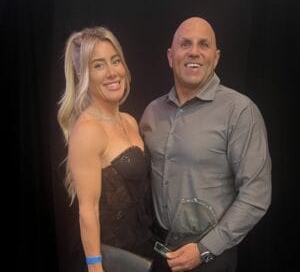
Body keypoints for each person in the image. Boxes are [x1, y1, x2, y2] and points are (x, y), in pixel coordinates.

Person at [140, 17, 272, 272]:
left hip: (210, 258)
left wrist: (205, 249)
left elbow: (256, 194)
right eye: (185, 44)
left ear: (216, 56)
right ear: (170, 56)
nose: (194, 52)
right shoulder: (152, 113)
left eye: (204, 45)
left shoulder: (240, 111)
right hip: (157, 252)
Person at [57, 26, 154, 272]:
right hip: (109, 259)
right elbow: (87, 209)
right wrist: (95, 266)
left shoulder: (130, 121)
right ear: (84, 75)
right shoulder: (88, 130)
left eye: (115, 60)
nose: (112, 72)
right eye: (99, 65)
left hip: (140, 251)